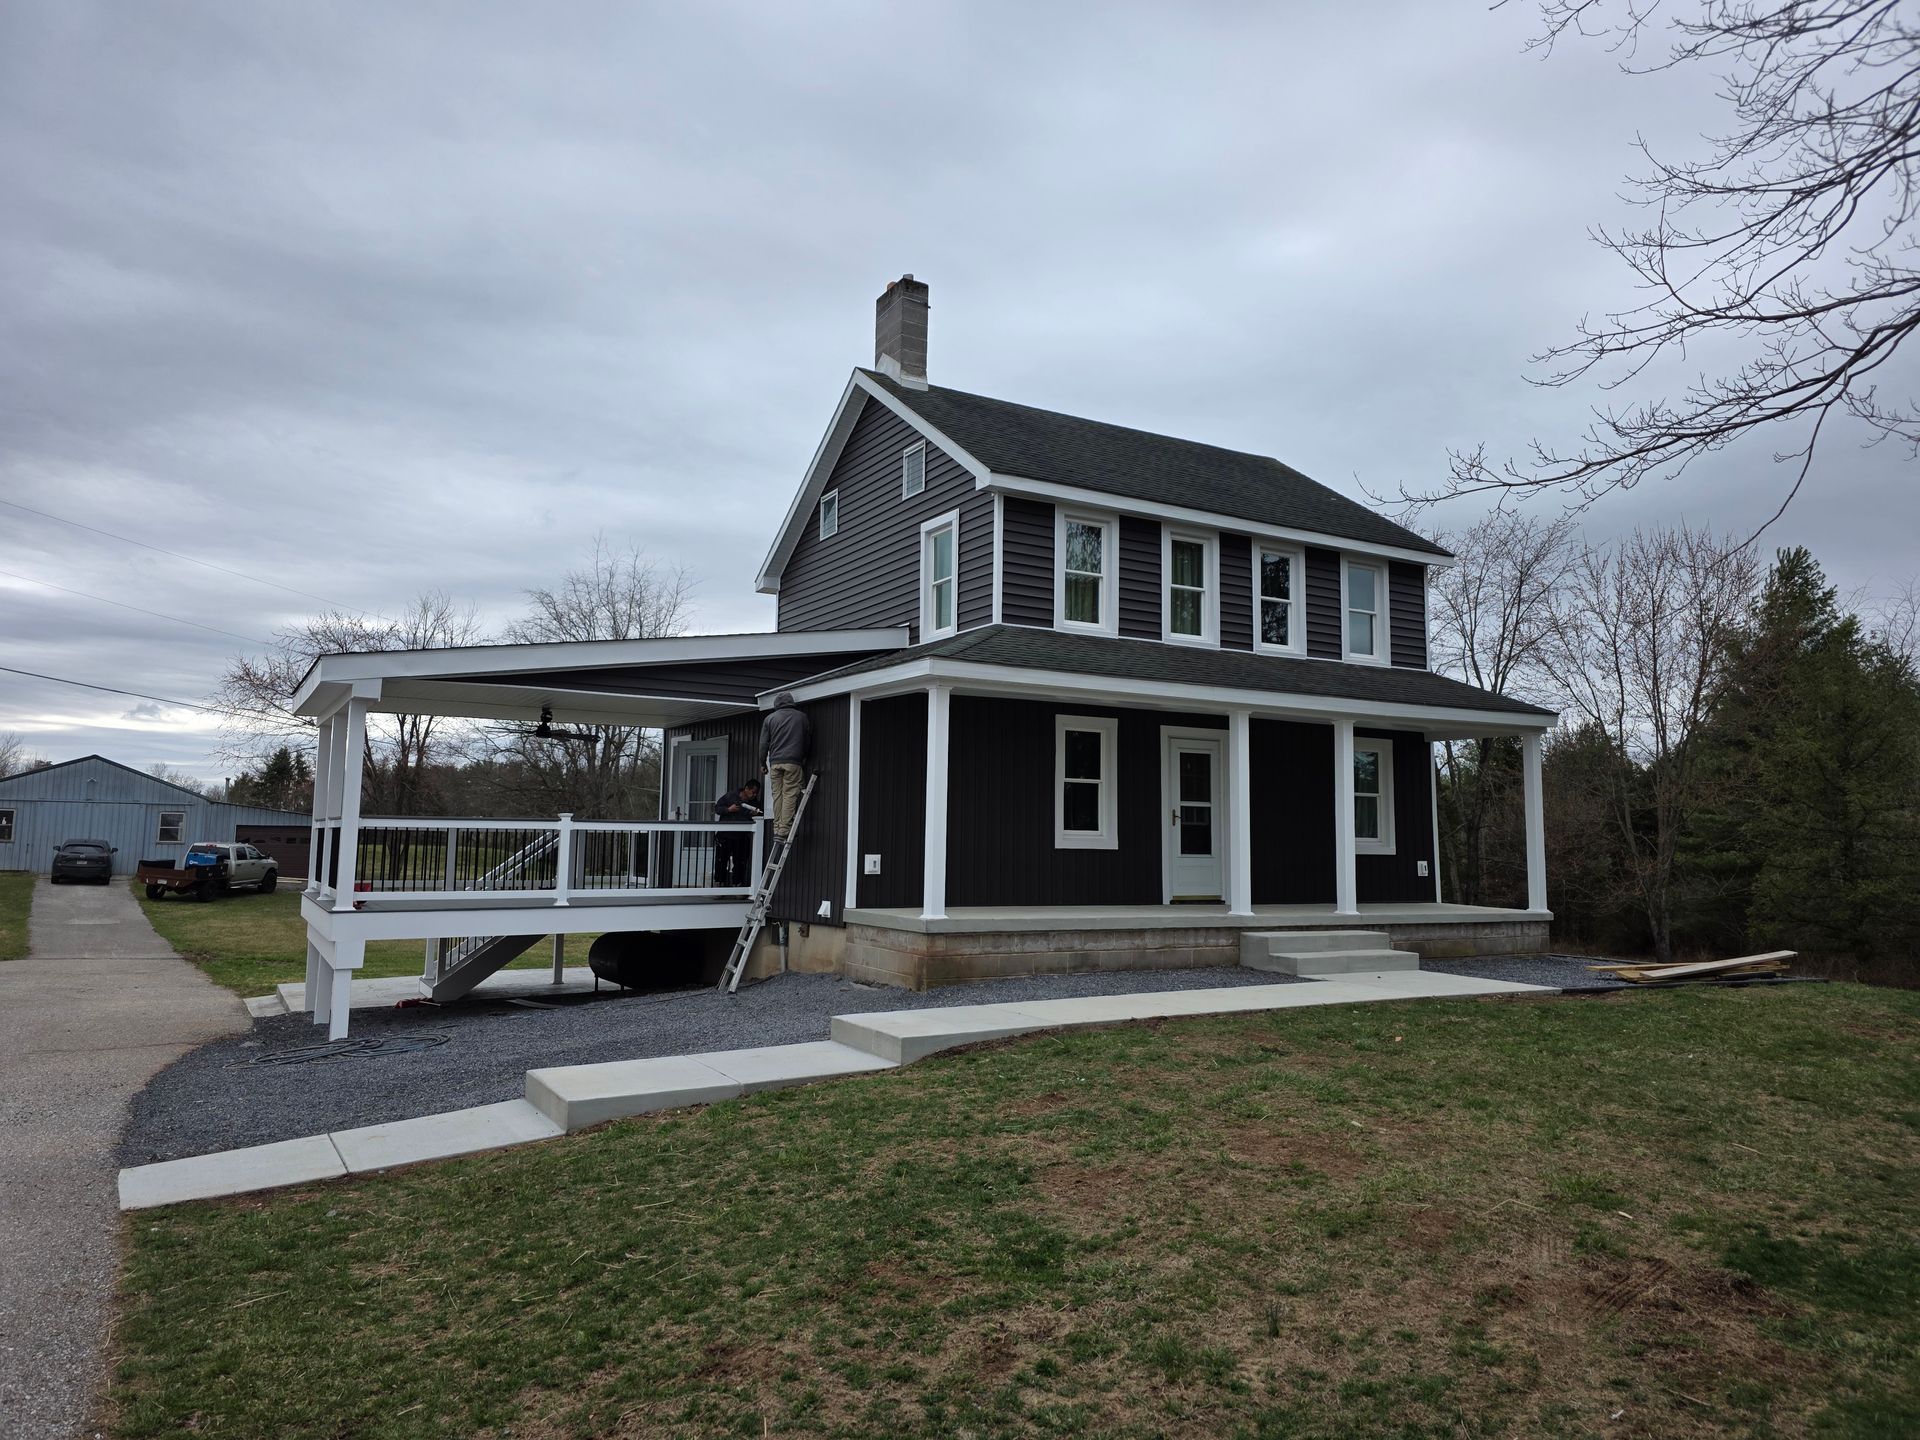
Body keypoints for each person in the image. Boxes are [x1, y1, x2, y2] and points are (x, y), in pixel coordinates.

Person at [761, 691, 812, 842]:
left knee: (777, 795)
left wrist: (762, 763)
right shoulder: (801, 717)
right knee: (790, 793)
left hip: (775, 762)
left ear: (776, 704)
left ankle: (777, 828)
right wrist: (804, 757)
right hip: (793, 762)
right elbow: (808, 740)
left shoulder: (769, 718)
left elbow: (763, 744)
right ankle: (784, 830)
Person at [712, 779, 762, 885]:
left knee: (740, 862)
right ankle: (719, 885)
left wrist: (753, 814)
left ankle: (737, 886)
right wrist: (729, 810)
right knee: (721, 861)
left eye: (756, 793)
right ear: (746, 788)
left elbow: (759, 814)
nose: (754, 794)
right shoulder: (731, 795)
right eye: (753, 792)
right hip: (725, 834)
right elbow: (717, 808)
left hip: (741, 836)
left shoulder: (754, 803)